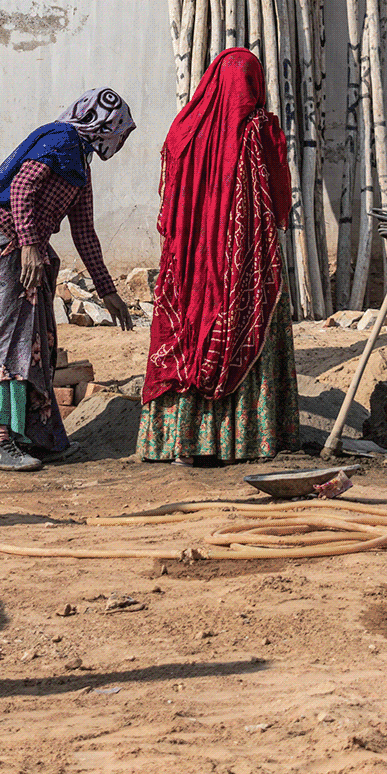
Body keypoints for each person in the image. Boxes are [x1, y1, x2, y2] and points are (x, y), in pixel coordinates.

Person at [138, 48, 299, 465]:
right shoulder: (258, 131)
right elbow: (279, 199)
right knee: (246, 332)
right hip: (244, 264)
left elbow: (170, 202)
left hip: (188, 266)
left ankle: (180, 444)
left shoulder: (183, 130)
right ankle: (244, 441)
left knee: (187, 335)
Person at [0, 88, 136, 472]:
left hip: (27, 245)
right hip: (3, 239)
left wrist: (107, 291)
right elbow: (22, 187)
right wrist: (28, 245)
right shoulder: (61, 138)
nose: (119, 140)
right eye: (118, 130)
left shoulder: (80, 162)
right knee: (2, 338)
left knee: (34, 343)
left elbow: (84, 233)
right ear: (101, 122)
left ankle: (36, 439)